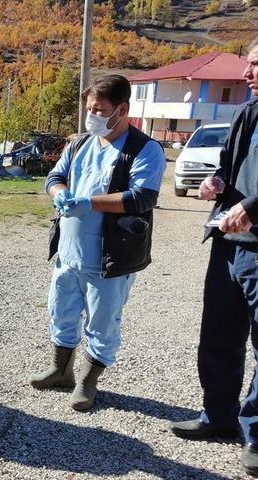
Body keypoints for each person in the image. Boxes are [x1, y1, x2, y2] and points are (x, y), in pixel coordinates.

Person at [29, 75, 166, 411]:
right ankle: (61, 370)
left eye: (100, 110)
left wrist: (90, 202)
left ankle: (88, 382)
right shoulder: (79, 144)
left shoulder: (144, 149)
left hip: (110, 257)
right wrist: (60, 194)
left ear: (121, 110)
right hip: (69, 252)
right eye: (89, 108)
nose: (93, 116)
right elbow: (55, 177)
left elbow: (142, 197)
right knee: (61, 310)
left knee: (103, 321)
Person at [170, 39, 258, 477]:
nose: (247, 74)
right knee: (219, 338)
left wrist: (252, 207)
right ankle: (218, 418)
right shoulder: (247, 111)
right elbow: (229, 166)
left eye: (256, 66)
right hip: (228, 244)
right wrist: (216, 183)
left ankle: (256, 437)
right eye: (248, 65)